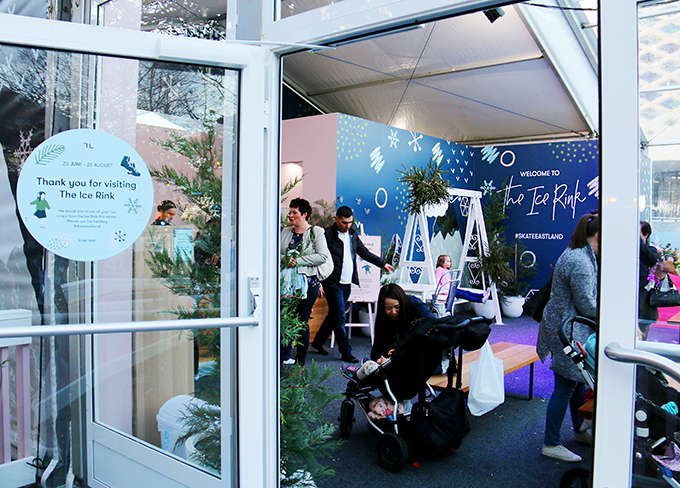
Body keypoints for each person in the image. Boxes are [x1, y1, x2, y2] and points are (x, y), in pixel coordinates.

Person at [537, 211, 599, 463]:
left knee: (577, 383)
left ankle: (579, 430)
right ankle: (551, 443)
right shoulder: (581, 262)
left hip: (567, 328)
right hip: (569, 332)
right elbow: (586, 305)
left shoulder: (579, 253)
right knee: (565, 386)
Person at [311, 206, 395, 363]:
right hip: (332, 282)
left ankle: (317, 342)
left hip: (347, 283)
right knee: (339, 317)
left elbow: (365, 253)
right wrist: (319, 281)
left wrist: (382, 264)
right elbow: (318, 257)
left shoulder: (353, 235)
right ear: (336, 219)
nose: (347, 225)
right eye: (344, 222)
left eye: (350, 222)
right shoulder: (326, 235)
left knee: (335, 315)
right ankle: (346, 351)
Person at [280, 198, 332, 366]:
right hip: (285, 285)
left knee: (302, 322)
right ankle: (281, 358)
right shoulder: (285, 232)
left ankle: (300, 362)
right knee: (285, 320)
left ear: (304, 214)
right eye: (290, 212)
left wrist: (297, 260)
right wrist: (284, 258)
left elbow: (322, 256)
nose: (291, 216)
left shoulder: (316, 232)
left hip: (307, 286)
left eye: (294, 212)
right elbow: (274, 251)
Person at [370, 283, 434, 364]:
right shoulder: (383, 318)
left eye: (397, 307)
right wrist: (379, 360)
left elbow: (430, 322)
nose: (393, 312)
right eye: (388, 308)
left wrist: (402, 350)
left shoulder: (416, 306)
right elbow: (378, 348)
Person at [639, 221, 660, 340]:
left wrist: (638, 241)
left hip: (644, 305)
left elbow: (651, 259)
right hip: (630, 304)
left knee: (641, 340)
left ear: (646, 235)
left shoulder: (650, 250)